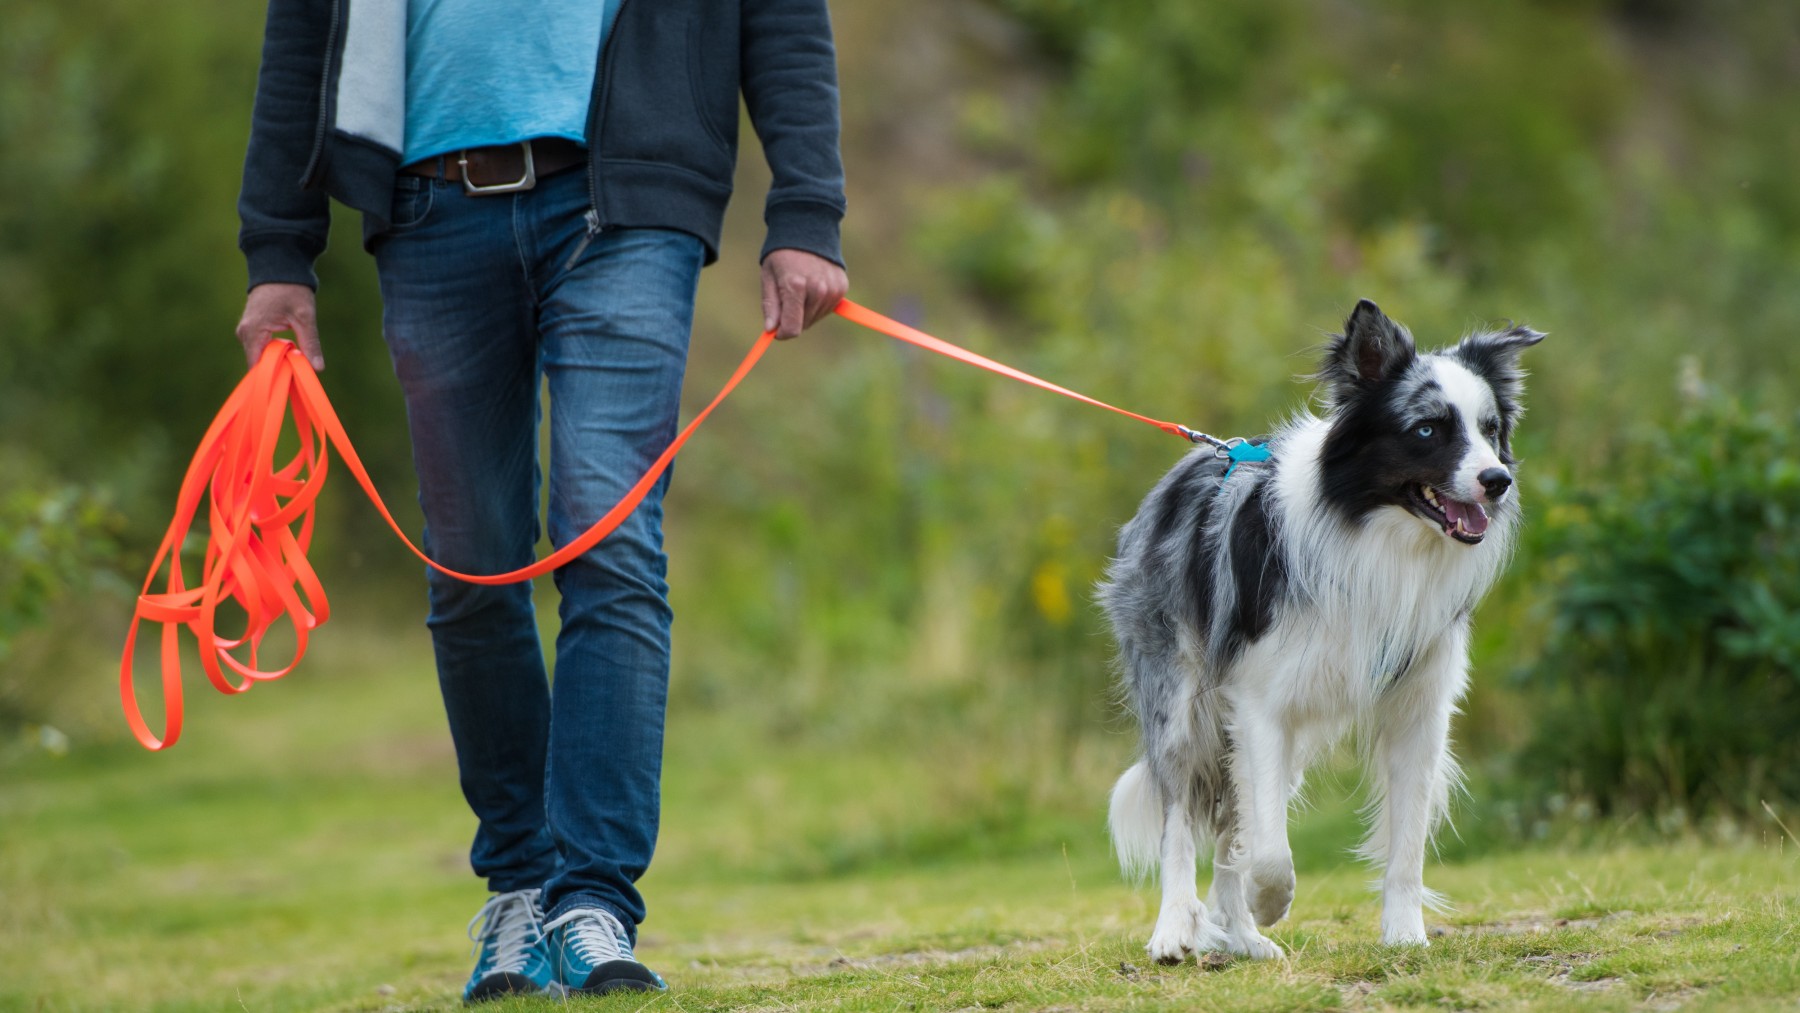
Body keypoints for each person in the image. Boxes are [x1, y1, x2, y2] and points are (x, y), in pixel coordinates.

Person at [231, 0, 848, 1001]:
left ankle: (593, 898)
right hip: (427, 212)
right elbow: (305, 29)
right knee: (471, 569)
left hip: (627, 200)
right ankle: (519, 884)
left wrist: (808, 210)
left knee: (608, 537)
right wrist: (278, 253)